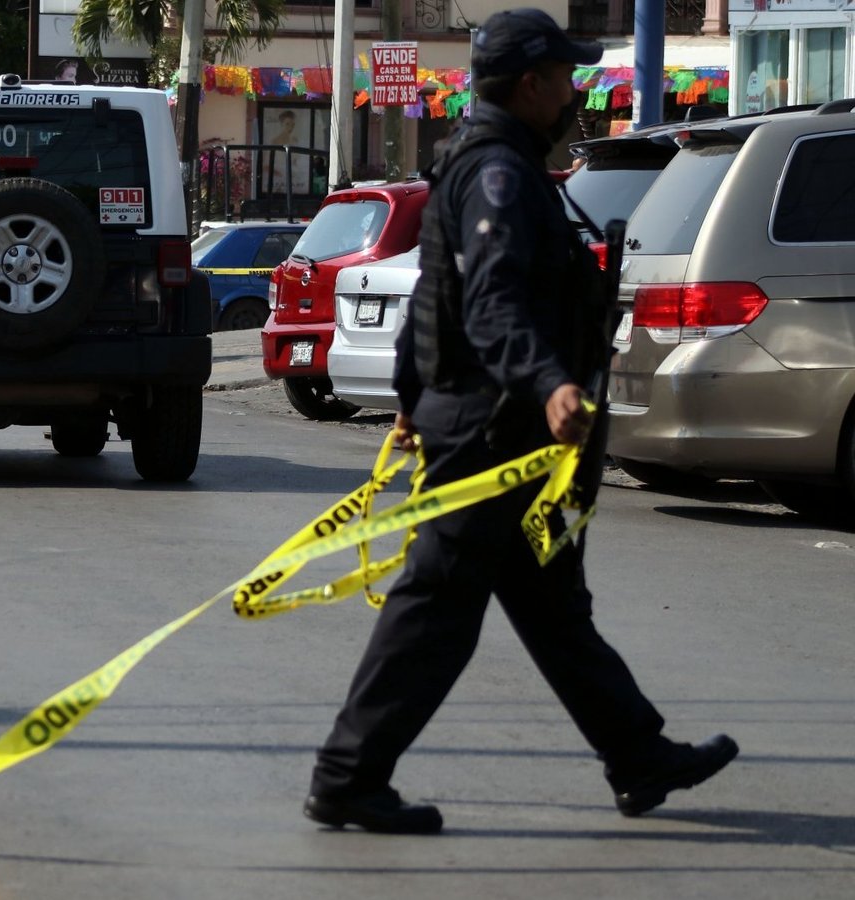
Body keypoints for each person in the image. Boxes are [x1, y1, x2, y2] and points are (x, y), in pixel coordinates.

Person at [303, 8, 738, 835]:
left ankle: (638, 756)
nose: (575, 93)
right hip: (493, 429)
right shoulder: (498, 174)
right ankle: (345, 776)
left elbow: (436, 297)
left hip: (494, 425)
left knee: (552, 609)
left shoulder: (489, 165)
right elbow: (492, 300)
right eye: (565, 78)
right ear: (530, 85)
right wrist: (545, 385)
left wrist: (407, 399)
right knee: (436, 609)